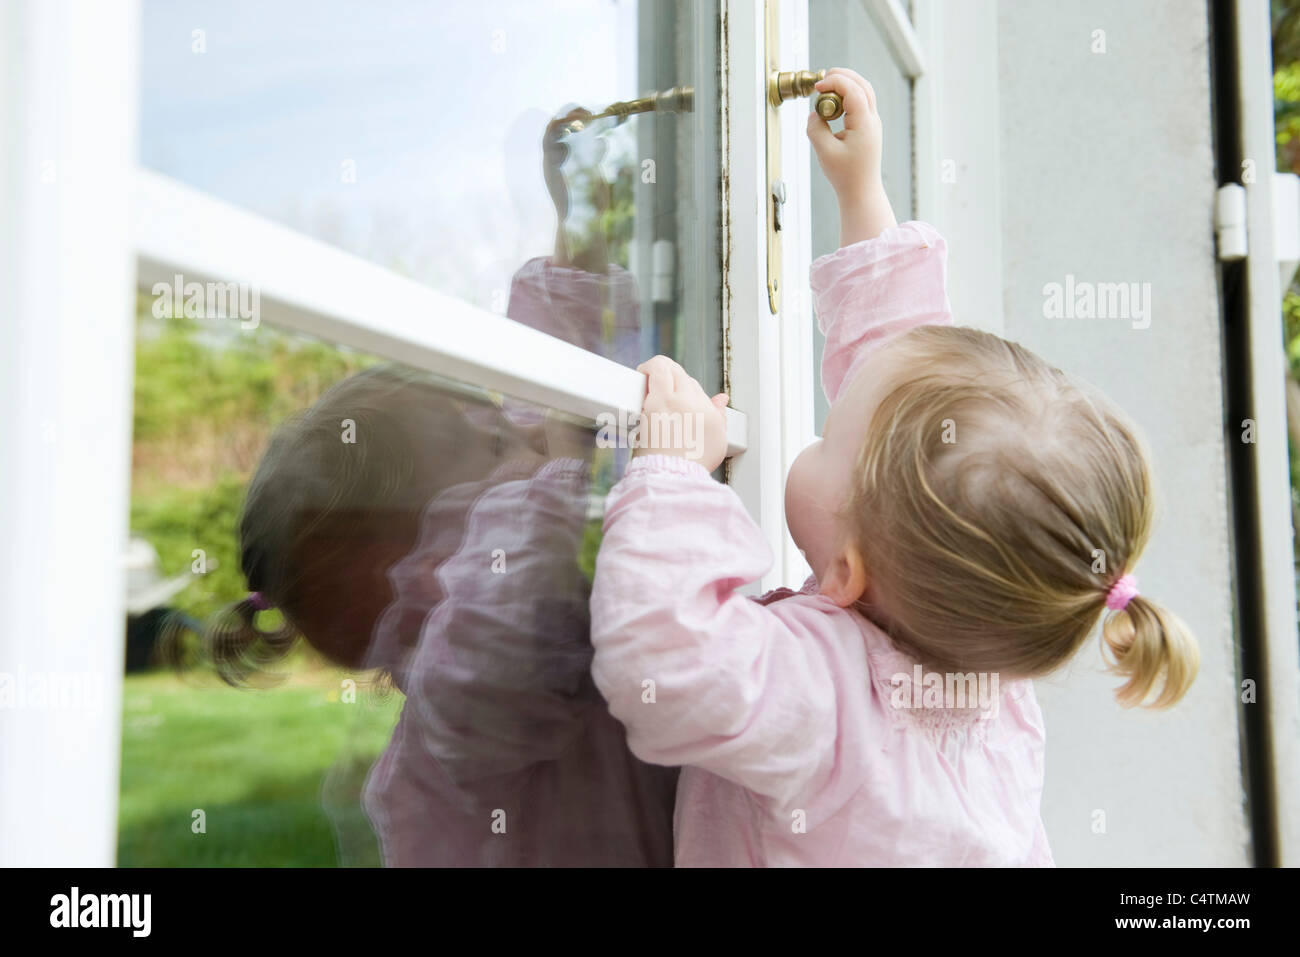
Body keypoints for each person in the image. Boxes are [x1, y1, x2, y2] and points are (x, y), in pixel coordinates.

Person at [588, 67, 1199, 867]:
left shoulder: (825, 700)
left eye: (831, 433)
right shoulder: (989, 662)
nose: (820, 423)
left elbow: (667, 666)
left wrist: (671, 474)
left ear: (846, 570)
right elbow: (909, 395)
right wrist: (859, 191)